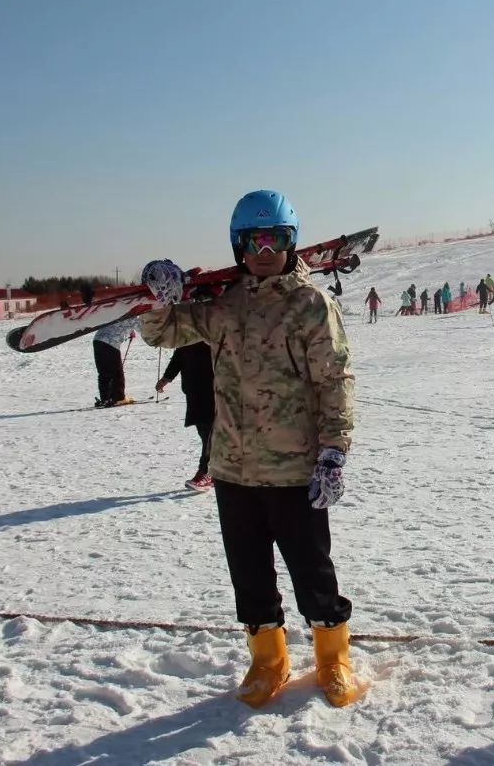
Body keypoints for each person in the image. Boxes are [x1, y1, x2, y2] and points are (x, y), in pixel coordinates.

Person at [138, 189, 358, 709]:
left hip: (293, 468)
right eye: (255, 239)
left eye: (276, 238)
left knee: (312, 568)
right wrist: (159, 297)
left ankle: (333, 656)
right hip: (233, 468)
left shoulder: (310, 305)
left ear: (291, 242)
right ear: (240, 245)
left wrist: (334, 450)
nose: (265, 250)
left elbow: (335, 380)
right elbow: (163, 332)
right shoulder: (223, 305)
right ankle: (268, 658)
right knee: (249, 572)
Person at [156, 342, 215, 492]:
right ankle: (216, 473)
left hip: (215, 389)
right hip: (194, 389)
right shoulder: (188, 331)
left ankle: (206, 472)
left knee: (211, 432)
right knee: (205, 432)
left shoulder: (214, 325)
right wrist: (167, 378)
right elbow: (179, 355)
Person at [92, 318, 137, 407]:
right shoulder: (134, 316)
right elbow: (144, 329)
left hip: (97, 340)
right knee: (117, 372)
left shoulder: (119, 311)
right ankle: (119, 398)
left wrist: (130, 331)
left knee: (104, 372)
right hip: (111, 343)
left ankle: (105, 398)